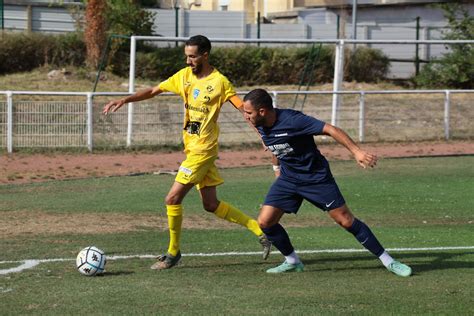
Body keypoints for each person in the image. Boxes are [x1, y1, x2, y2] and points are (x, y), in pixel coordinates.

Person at [103, 35, 271, 270]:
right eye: (186, 56)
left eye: (192, 56)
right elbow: (154, 90)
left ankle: (173, 253)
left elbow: (245, 109)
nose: (188, 61)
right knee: (211, 205)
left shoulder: (219, 82)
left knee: (172, 198)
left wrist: (264, 135)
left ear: (205, 55)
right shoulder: (183, 77)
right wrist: (124, 100)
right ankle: (260, 230)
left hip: (203, 151)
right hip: (192, 149)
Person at [242, 88, 412, 277]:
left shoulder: (293, 120)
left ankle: (389, 262)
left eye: (248, 113)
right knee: (265, 222)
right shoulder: (259, 124)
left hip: (316, 178)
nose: (245, 117)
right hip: (289, 179)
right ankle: (292, 261)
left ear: (263, 111)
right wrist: (277, 172)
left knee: (346, 221)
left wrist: (357, 152)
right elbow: (276, 148)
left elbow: (331, 129)